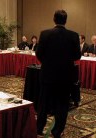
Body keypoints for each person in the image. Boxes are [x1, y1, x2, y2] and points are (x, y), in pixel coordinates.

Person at [36, 10, 81, 138]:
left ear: (54, 19)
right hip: (65, 76)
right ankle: (57, 131)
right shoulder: (73, 35)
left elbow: (38, 53)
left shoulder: (45, 34)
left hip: (47, 75)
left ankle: (39, 128)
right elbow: (77, 55)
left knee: (43, 103)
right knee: (62, 104)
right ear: (66, 20)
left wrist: (48, 63)